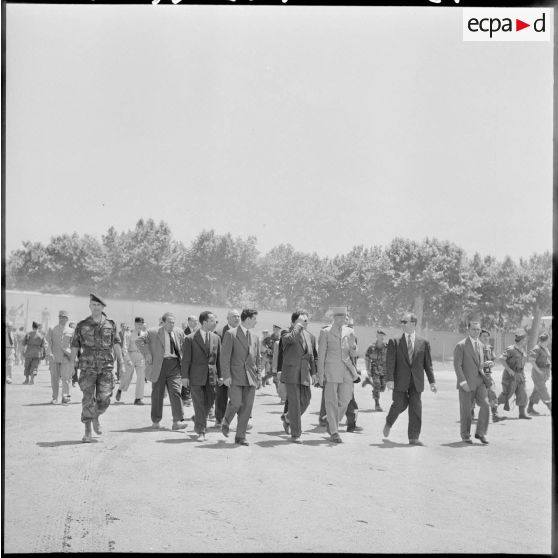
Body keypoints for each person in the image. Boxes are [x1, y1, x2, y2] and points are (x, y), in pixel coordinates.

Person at [70, 294, 125, 442]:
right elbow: (75, 345)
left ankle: (96, 416)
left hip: (106, 366)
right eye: (93, 305)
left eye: (98, 305)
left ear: (102, 307)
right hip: (87, 367)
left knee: (105, 398)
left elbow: (116, 344)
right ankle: (87, 431)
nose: (96, 307)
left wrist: (121, 362)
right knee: (88, 398)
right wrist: (71, 365)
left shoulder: (111, 325)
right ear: (89, 306)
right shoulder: (82, 325)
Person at [383, 312, 437, 446]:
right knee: (399, 404)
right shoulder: (394, 341)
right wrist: (389, 379)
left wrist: (432, 382)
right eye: (402, 322)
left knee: (415, 408)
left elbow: (428, 364)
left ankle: (414, 437)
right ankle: (389, 422)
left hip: (416, 381)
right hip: (399, 379)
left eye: (404, 321)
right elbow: (390, 362)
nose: (402, 324)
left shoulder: (424, 342)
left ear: (413, 324)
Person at [135, 312, 188, 431]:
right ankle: (156, 421)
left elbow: (185, 344)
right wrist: (147, 353)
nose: (172, 324)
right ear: (163, 323)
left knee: (175, 391)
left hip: (174, 365)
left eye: (173, 322)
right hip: (159, 366)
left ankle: (177, 421)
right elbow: (139, 341)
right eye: (169, 322)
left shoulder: (179, 332)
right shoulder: (153, 332)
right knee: (157, 394)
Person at [316, 307, 359, 443]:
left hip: (347, 370)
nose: (342, 318)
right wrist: (320, 375)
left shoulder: (350, 331)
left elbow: (353, 354)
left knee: (346, 399)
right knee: (331, 401)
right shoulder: (326, 332)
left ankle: (330, 419)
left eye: (344, 316)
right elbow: (321, 355)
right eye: (340, 316)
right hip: (330, 370)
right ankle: (334, 432)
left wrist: (353, 347)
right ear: (334, 317)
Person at [220, 308, 262, 446]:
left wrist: (259, 378)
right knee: (236, 403)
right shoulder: (230, 334)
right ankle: (226, 420)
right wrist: (226, 376)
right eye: (255, 319)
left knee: (247, 408)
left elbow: (257, 359)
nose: (256, 322)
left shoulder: (255, 337)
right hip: (235, 376)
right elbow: (224, 357)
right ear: (248, 319)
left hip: (251, 378)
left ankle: (240, 436)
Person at [181, 311, 221, 441]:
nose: (215, 323)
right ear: (204, 322)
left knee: (210, 401)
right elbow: (186, 359)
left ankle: (197, 418)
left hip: (211, 377)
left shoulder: (216, 338)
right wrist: (184, 376)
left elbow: (218, 359)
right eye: (212, 321)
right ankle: (201, 431)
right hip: (195, 376)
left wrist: (221, 375)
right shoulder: (190, 338)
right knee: (198, 403)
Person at [280, 310, 318, 443]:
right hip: (291, 373)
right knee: (295, 403)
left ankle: (288, 417)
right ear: (294, 322)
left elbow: (311, 356)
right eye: (302, 320)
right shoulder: (286, 333)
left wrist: (314, 373)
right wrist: (298, 326)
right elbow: (291, 339)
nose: (305, 323)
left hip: (304, 373)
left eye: (306, 320)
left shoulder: (309, 336)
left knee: (306, 400)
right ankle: (296, 434)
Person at [453, 321, 490, 444]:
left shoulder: (481, 345)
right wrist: (463, 383)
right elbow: (457, 365)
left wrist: (486, 366)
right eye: (473, 329)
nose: (476, 331)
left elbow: (479, 364)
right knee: (466, 410)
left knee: (485, 405)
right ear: (468, 330)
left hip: (480, 382)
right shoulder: (461, 345)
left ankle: (480, 433)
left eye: (478, 329)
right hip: (467, 383)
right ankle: (465, 435)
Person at [496, 329, 531, 419]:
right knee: (507, 394)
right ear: (521, 340)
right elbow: (501, 359)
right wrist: (509, 370)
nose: (526, 341)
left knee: (522, 394)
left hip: (520, 375)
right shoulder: (511, 349)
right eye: (525, 340)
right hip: (510, 376)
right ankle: (493, 409)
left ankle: (522, 414)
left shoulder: (522, 350)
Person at [214, 309, 241, 427]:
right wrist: (219, 374)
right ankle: (219, 420)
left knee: (241, 395)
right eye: (234, 316)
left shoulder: (243, 332)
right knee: (221, 395)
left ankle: (243, 420)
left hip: (239, 370)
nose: (237, 318)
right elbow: (215, 354)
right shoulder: (219, 332)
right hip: (223, 369)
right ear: (228, 318)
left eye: (238, 316)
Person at [116, 317, 147, 405]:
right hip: (131, 355)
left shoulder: (145, 334)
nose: (140, 326)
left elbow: (146, 347)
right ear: (135, 324)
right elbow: (124, 347)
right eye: (138, 324)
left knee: (141, 377)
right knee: (127, 376)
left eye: (141, 324)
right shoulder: (129, 334)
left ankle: (138, 398)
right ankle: (120, 389)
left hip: (141, 357)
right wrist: (127, 359)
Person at [46, 310, 74, 405]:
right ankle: (54, 398)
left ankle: (65, 397)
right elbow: (47, 342)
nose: (62, 319)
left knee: (66, 378)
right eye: (60, 317)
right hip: (54, 357)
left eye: (64, 317)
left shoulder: (71, 331)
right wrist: (49, 353)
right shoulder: (52, 329)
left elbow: (74, 345)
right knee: (55, 378)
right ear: (58, 318)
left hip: (66, 357)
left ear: (67, 319)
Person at [479, 329, 502, 422]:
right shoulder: (475, 347)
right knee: (473, 395)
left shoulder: (489, 348)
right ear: (479, 337)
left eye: (487, 336)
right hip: (477, 375)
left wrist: (491, 363)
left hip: (487, 375)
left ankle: (495, 414)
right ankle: (470, 412)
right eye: (484, 336)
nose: (486, 338)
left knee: (492, 393)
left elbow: (493, 360)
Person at [526, 332, 552, 415]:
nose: (549, 341)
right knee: (543, 390)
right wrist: (538, 371)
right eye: (548, 339)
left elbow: (547, 359)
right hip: (538, 373)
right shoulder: (537, 348)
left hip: (544, 372)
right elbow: (531, 360)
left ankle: (530, 409)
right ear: (545, 340)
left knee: (537, 391)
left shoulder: (544, 348)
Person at [363, 329, 388, 412]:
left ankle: (369, 382)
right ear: (377, 336)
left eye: (383, 336)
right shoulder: (371, 347)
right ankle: (377, 404)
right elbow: (367, 359)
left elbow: (391, 358)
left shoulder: (387, 346)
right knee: (377, 385)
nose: (382, 337)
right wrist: (368, 371)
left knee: (383, 388)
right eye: (380, 335)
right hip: (375, 369)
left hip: (384, 370)